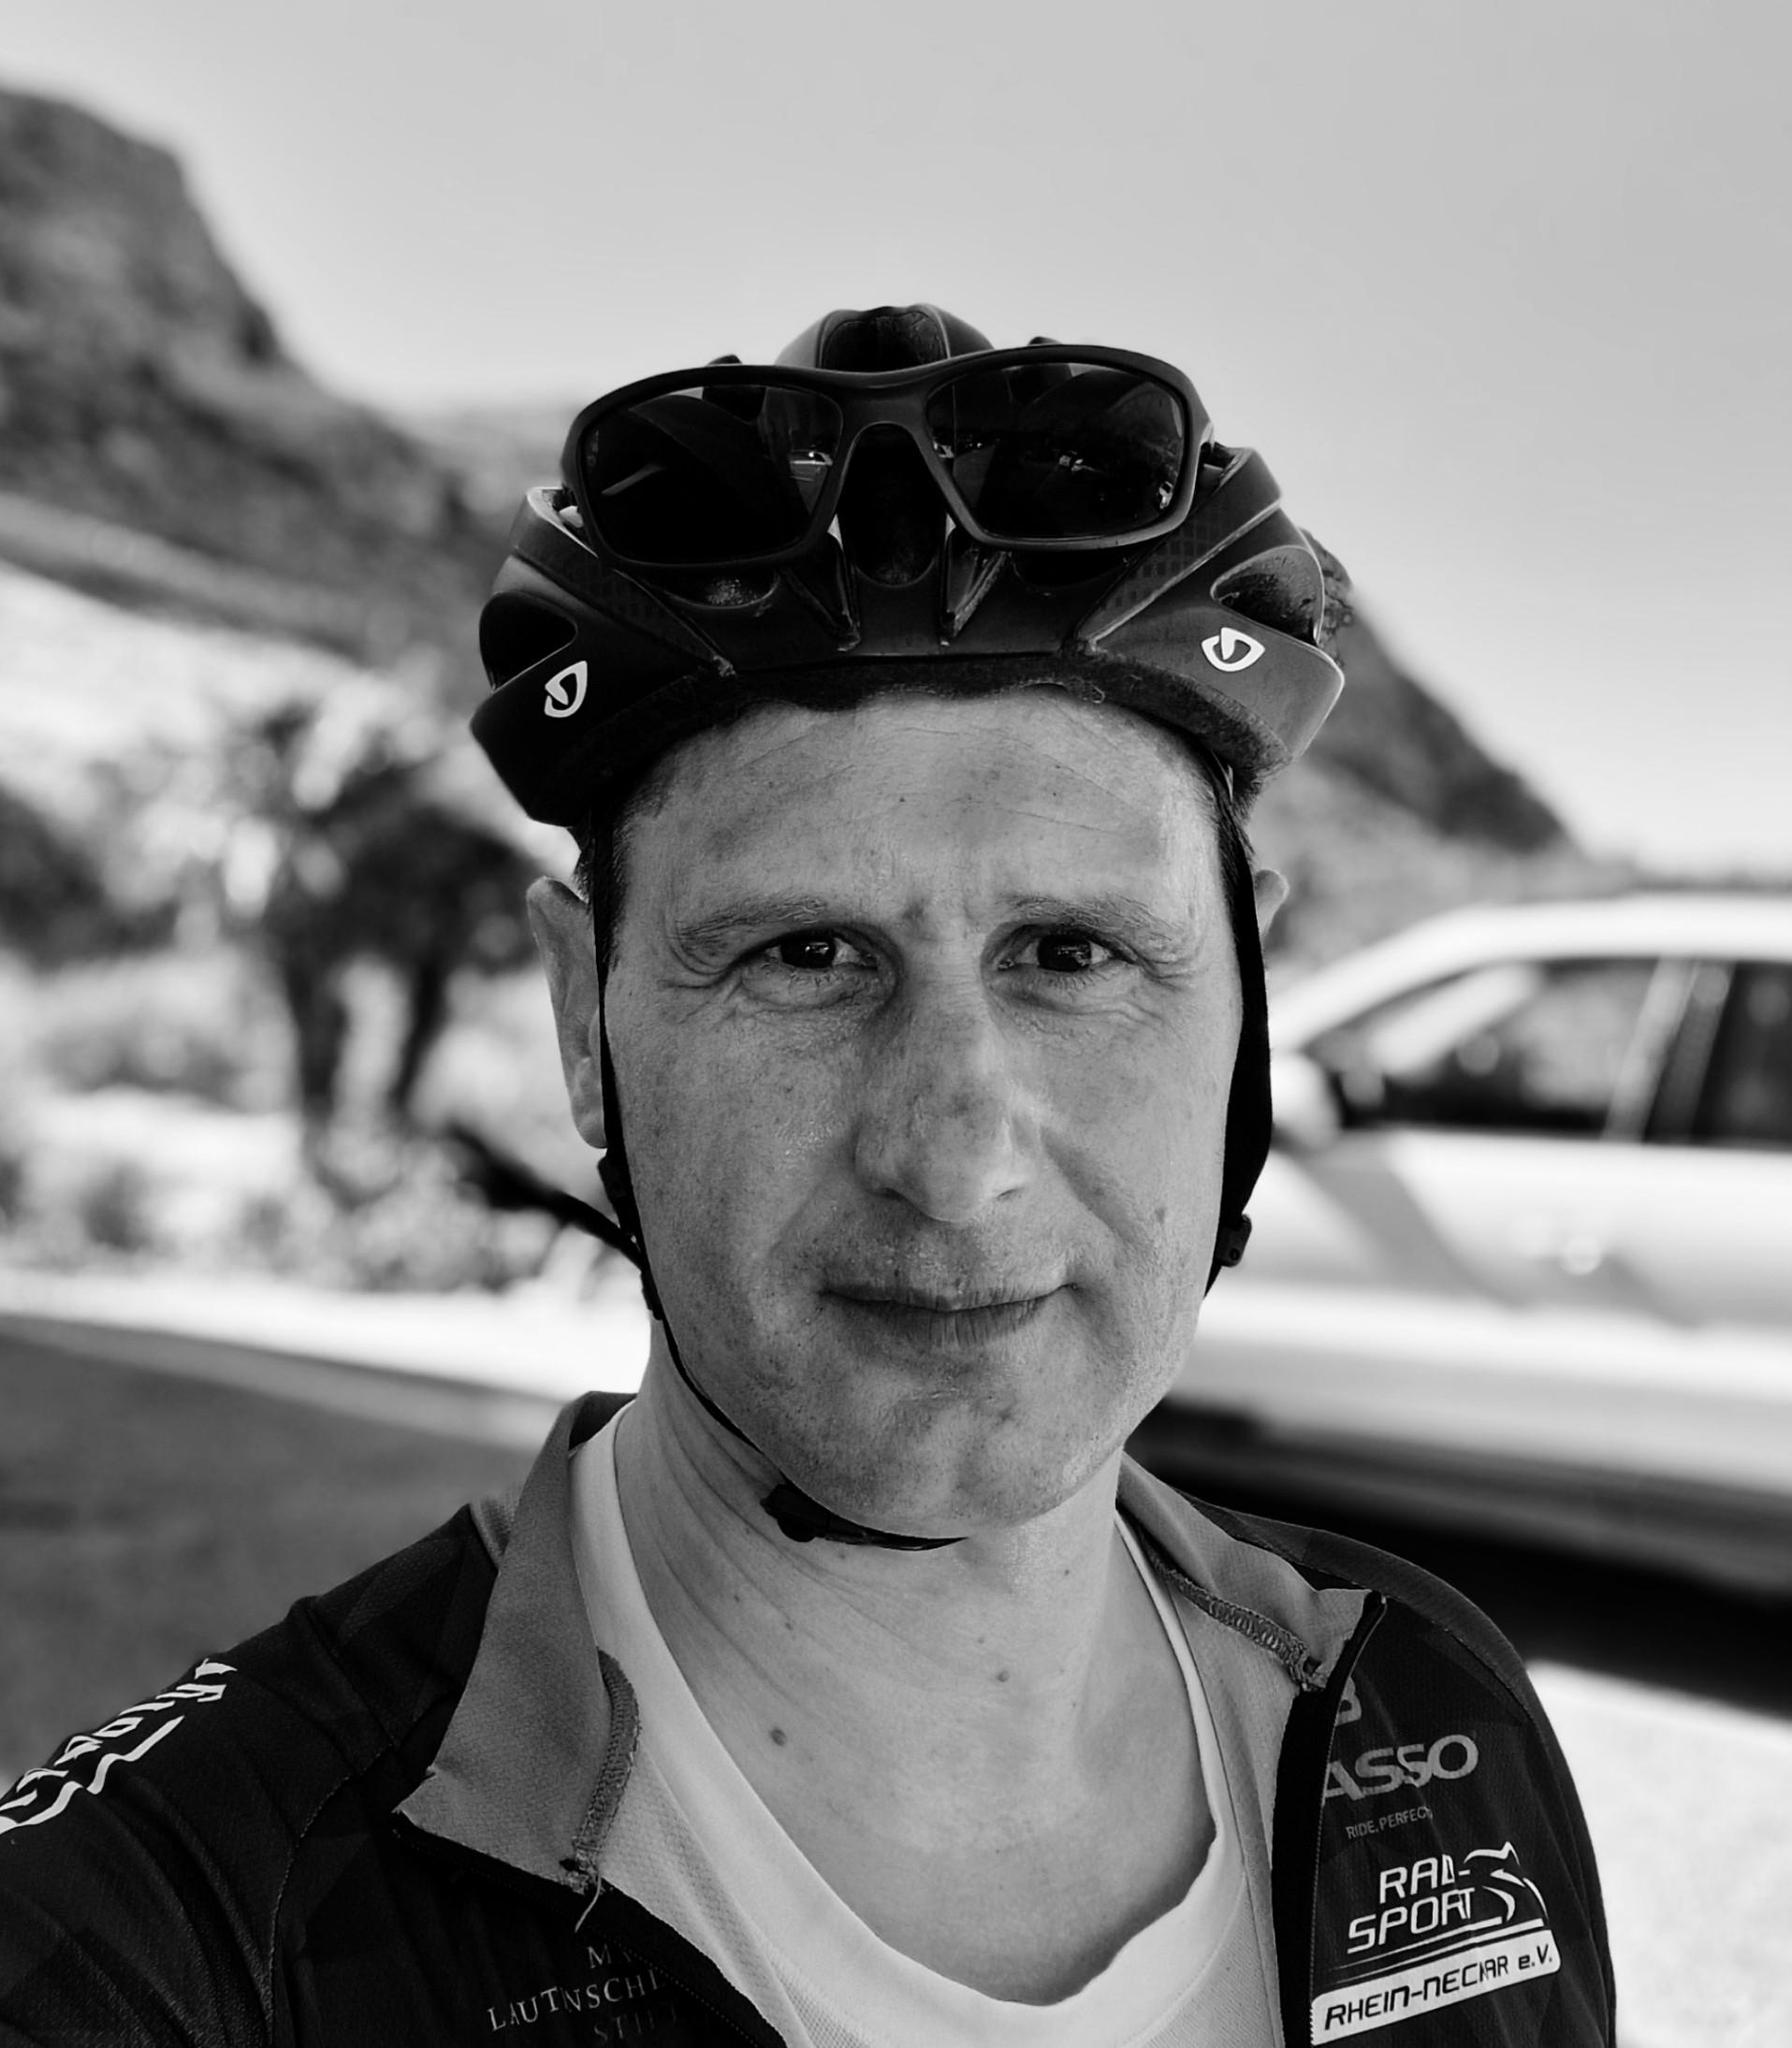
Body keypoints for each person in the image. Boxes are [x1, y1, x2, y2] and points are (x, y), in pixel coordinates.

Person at [0, 305, 1616, 2045]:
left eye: (1073, 954)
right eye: (803, 956)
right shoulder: (159, 1936)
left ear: (1248, 1005)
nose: (957, 1162)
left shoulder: (1427, 1711)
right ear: (582, 1020)